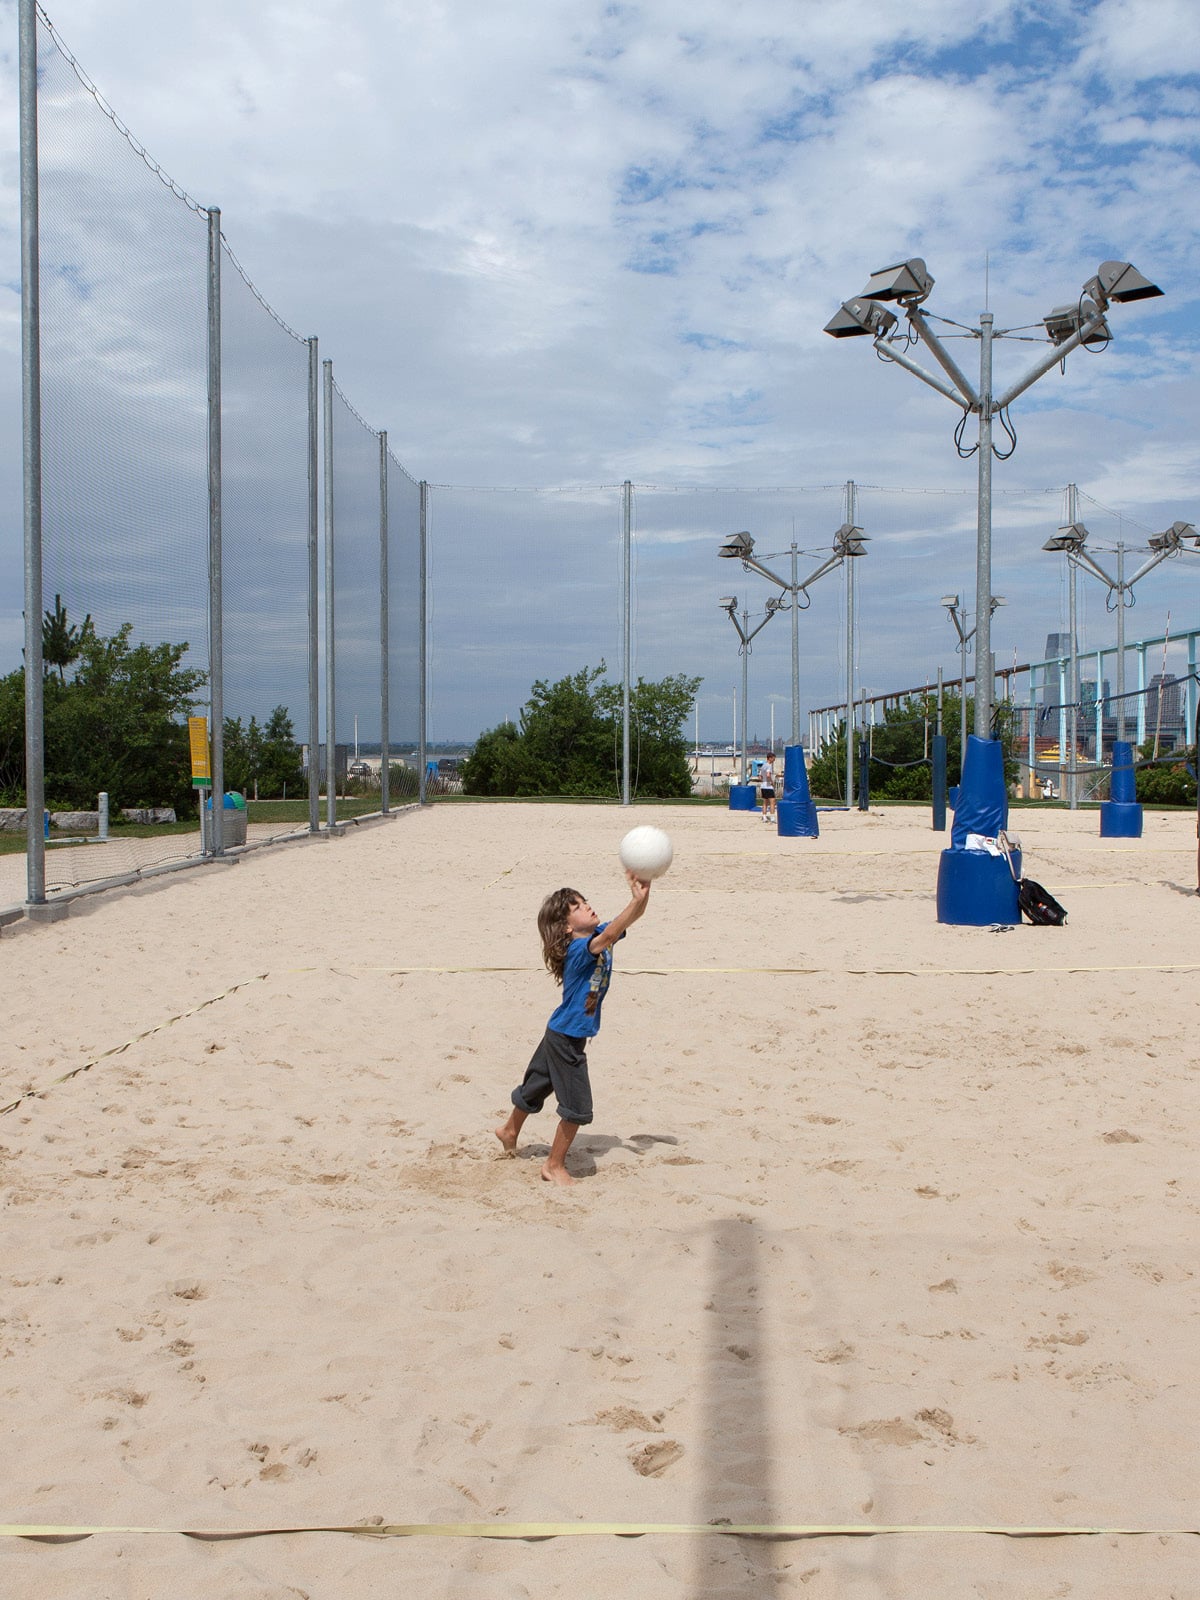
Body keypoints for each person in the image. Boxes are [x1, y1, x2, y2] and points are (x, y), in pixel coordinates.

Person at [494, 871, 651, 1186]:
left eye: (586, 901)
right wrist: (634, 900)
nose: (588, 907)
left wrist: (642, 897)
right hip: (566, 1039)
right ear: (567, 926)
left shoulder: (600, 935)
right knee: (577, 1106)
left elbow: (628, 921)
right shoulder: (579, 950)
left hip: (559, 1030)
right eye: (578, 906)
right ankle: (553, 1165)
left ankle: (509, 1130)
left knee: (535, 1087)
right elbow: (607, 938)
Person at [760, 750, 778, 821]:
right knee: (772, 801)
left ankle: (764, 816)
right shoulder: (769, 765)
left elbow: (760, 776)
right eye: (773, 758)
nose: (774, 760)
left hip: (763, 785)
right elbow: (768, 775)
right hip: (768, 786)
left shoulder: (763, 765)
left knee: (765, 802)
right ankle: (772, 817)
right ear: (770, 758)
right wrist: (771, 781)